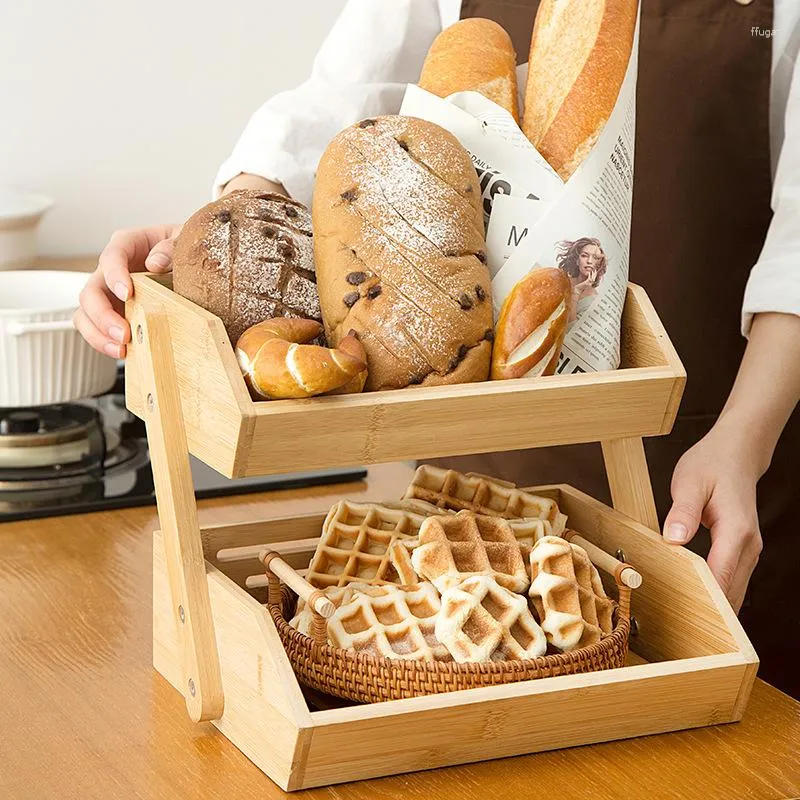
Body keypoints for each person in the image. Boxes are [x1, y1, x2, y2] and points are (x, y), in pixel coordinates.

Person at [75, 0, 800, 697]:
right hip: (473, 459)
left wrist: (743, 440)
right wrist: (222, 234)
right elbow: (355, 92)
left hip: (715, 463)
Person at [555, 237, 606, 322]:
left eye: (595, 258)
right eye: (584, 256)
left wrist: (577, 291)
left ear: (599, 265)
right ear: (577, 261)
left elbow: (570, 327)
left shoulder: (593, 300)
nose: (589, 261)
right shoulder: (562, 280)